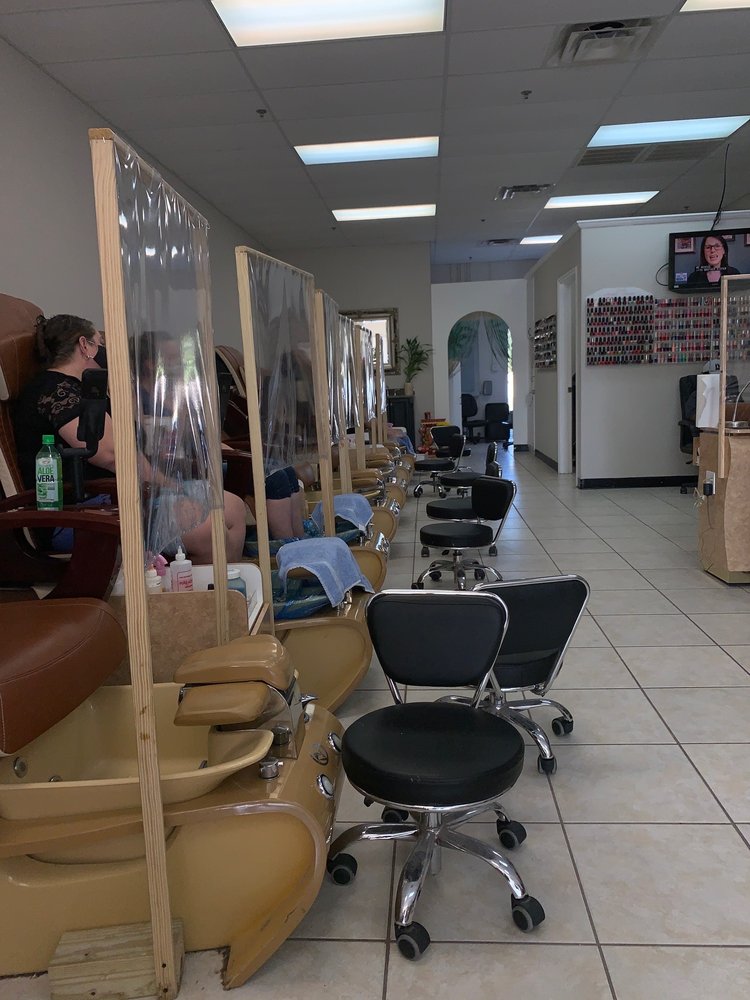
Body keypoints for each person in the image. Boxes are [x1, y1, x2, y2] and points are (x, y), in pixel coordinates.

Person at [14, 313, 246, 563]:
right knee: (208, 529)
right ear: (84, 346)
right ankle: (201, 586)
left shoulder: (83, 389)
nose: (104, 351)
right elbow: (112, 455)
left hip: (118, 497)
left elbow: (130, 446)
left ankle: (220, 581)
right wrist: (169, 486)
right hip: (83, 511)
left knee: (233, 506)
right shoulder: (55, 390)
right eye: (99, 343)